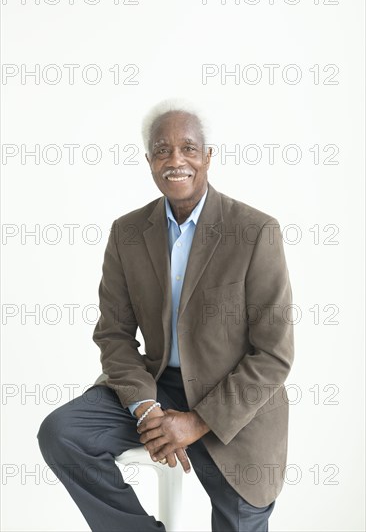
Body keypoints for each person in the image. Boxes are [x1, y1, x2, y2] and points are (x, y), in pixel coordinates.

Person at [38, 99, 294, 532]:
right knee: (62, 433)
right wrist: (145, 408)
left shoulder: (255, 231)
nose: (176, 160)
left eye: (189, 148)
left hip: (233, 404)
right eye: (162, 150)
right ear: (149, 161)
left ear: (208, 155)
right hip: (155, 388)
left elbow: (274, 356)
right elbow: (114, 335)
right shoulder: (127, 233)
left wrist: (197, 422)